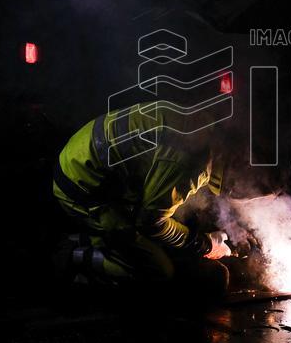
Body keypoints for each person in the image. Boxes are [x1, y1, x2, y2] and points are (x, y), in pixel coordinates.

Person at [51, 103, 234, 298]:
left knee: (157, 236)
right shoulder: (192, 164)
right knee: (158, 270)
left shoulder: (205, 128)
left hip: (83, 161)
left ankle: (84, 238)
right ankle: (76, 259)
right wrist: (204, 244)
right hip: (83, 188)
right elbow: (152, 224)